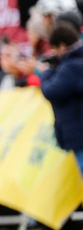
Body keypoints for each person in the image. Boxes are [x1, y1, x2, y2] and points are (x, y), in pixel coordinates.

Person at [39, 21, 83, 175]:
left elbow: (51, 91)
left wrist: (45, 73)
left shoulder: (71, 67)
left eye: (55, 48)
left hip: (79, 132)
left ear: (62, 46)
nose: (54, 53)